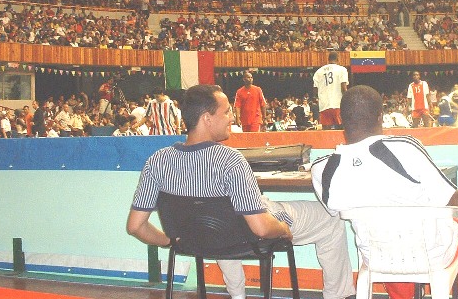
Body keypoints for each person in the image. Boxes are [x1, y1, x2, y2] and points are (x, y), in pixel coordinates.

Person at [127, 84, 355, 299]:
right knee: (331, 217)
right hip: (248, 233)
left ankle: (237, 294)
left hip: (206, 237)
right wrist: (283, 228)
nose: (231, 118)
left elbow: (135, 226)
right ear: (207, 118)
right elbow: (261, 228)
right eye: (226, 112)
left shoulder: (157, 161)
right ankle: (337, 296)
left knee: (221, 224)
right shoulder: (230, 160)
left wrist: (171, 241)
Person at [311, 85, 458, 299]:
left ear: (340, 117)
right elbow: (452, 198)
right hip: (431, 252)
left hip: (378, 256)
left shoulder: (322, 170)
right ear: (380, 116)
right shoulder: (404, 147)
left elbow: (333, 211)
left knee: (389, 242)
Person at [313, 52, 349, 129]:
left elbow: (315, 90)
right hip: (337, 104)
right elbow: (343, 88)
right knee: (341, 130)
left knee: (326, 132)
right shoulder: (342, 69)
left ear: (328, 59)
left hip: (324, 105)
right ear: (338, 59)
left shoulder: (319, 71)